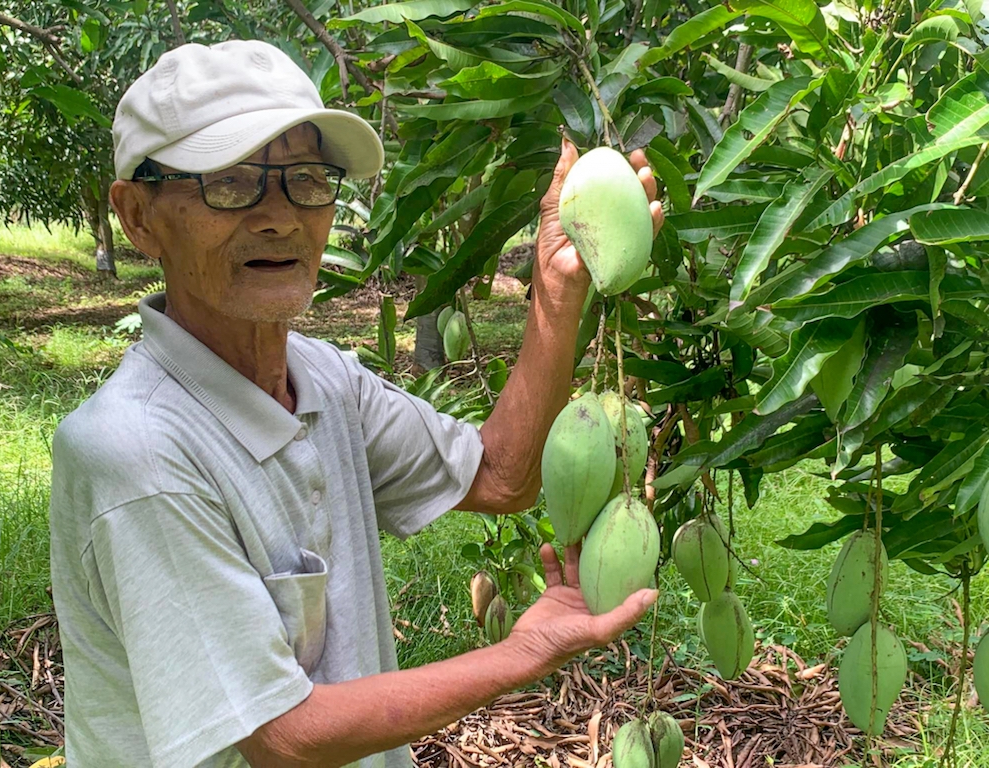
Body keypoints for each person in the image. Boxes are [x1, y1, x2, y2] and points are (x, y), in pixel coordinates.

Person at [48, 39, 665, 768]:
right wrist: (525, 652)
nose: (279, 216)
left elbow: (500, 477)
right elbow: (284, 736)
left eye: (308, 180)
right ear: (138, 216)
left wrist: (557, 293)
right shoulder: (135, 451)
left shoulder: (323, 381)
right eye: (231, 182)